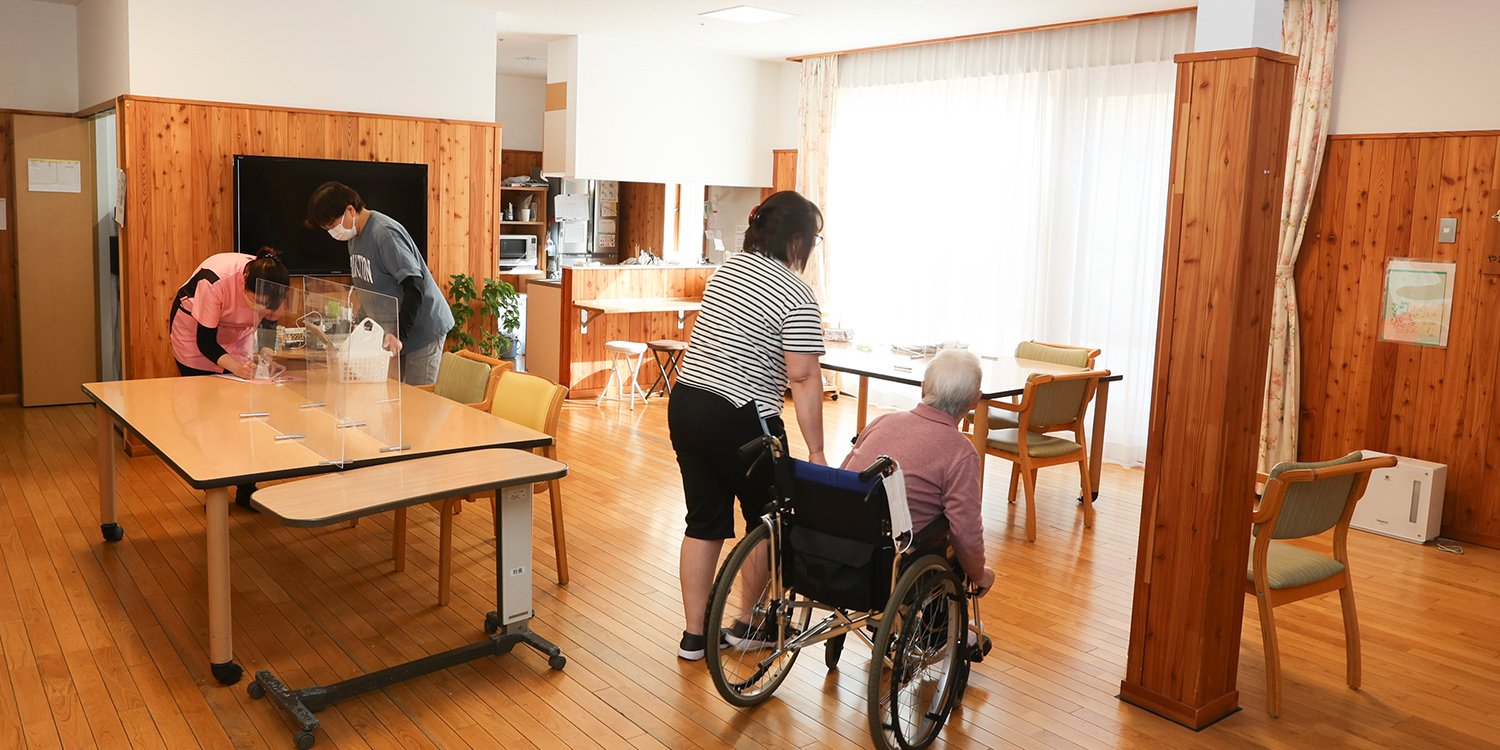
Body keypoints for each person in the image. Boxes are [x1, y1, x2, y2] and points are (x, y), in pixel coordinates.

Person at [670, 190, 828, 661]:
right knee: (769, 517)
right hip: (741, 414)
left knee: (703, 522)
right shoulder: (796, 292)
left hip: (688, 403)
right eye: (814, 240)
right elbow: (802, 375)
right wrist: (816, 451)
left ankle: (695, 636)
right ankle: (748, 622)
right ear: (797, 240)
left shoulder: (729, 269)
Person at [840, 349, 996, 595]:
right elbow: (966, 528)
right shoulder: (961, 451)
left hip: (838, 544)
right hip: (893, 562)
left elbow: (843, 473)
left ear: (923, 389)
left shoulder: (883, 421)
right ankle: (941, 632)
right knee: (952, 538)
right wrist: (980, 574)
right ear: (975, 401)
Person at [169, 247, 291, 508]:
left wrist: (265, 358)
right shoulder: (215, 280)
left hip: (238, 335)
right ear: (244, 282)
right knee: (206, 415)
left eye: (265, 304)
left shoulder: (275, 287)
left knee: (244, 413)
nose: (260, 307)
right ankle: (213, 489)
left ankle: (247, 488)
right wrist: (237, 369)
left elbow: (270, 324)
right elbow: (206, 342)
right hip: (195, 335)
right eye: (255, 300)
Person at [305, 182, 454, 386]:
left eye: (332, 224)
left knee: (419, 402)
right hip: (391, 332)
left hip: (422, 329)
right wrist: (360, 323)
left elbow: (415, 285)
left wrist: (399, 334)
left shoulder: (384, 235)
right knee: (392, 397)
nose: (332, 231)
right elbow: (370, 287)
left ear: (350, 209)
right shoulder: (354, 237)